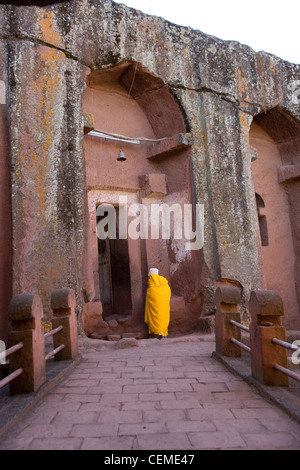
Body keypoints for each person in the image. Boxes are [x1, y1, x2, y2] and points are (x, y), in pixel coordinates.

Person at [144, 268, 171, 339]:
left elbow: (152, 292)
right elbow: (168, 291)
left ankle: (158, 333)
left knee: (157, 318)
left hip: (156, 305)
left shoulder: (151, 281)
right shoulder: (163, 281)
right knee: (163, 317)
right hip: (163, 304)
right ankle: (163, 333)